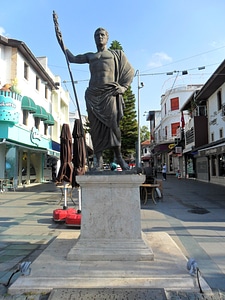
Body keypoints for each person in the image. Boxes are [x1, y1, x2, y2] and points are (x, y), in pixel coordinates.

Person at [65, 28, 134, 170]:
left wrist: (124, 88)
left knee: (113, 126)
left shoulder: (116, 54)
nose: (100, 37)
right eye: (97, 35)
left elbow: (129, 71)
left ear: (107, 38)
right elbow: (72, 58)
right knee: (96, 129)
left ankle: (119, 158)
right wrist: (62, 43)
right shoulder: (90, 56)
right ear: (94, 38)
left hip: (109, 93)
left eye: (102, 35)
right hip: (93, 95)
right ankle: (99, 159)